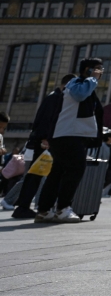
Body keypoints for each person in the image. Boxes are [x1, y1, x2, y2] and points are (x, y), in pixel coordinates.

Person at [35, 58, 105, 224]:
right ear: (87, 69)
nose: (100, 72)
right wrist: (92, 78)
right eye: (97, 68)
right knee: (75, 170)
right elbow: (79, 95)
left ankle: (45, 211)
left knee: (58, 172)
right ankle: (63, 208)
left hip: (67, 135)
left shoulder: (84, 85)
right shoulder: (77, 83)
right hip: (70, 135)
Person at [10, 75, 71, 218]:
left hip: (43, 142)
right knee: (35, 175)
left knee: (35, 175)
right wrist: (45, 138)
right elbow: (45, 120)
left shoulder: (53, 97)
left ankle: (23, 206)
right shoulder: (55, 98)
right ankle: (23, 207)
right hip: (44, 143)